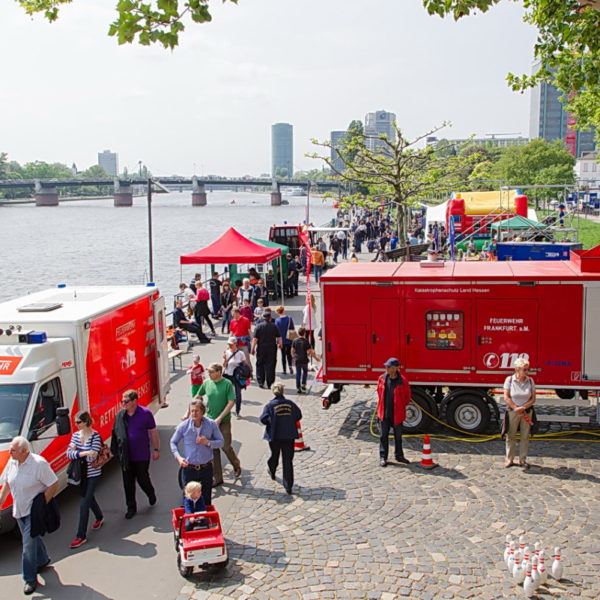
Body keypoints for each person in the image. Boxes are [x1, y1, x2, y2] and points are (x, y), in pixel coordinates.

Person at [0, 437, 58, 595]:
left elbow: (53, 483)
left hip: (33, 512)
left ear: (24, 451)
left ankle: (29, 579)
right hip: (19, 511)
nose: (10, 451)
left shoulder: (39, 464)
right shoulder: (12, 462)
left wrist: (42, 505)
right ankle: (43, 559)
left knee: (27, 546)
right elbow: (7, 484)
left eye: (13, 449)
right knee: (33, 539)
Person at [110, 389, 159, 519]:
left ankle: (150, 493)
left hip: (142, 455)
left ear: (134, 401)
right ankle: (131, 507)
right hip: (126, 456)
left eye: (125, 401)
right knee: (128, 482)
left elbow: (153, 432)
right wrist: (113, 451)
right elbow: (115, 433)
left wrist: (156, 449)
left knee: (143, 479)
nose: (123, 404)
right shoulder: (120, 415)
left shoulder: (145, 413)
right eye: (122, 401)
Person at [194, 363, 241, 486]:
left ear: (219, 372)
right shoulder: (207, 383)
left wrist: (220, 417)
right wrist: (193, 408)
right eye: (208, 372)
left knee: (225, 446)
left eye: (211, 372)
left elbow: (231, 402)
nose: (209, 374)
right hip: (210, 421)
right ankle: (218, 477)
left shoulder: (227, 384)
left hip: (224, 421)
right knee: (213, 448)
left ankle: (236, 464)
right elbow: (198, 396)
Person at [170, 400, 224, 506]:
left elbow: (221, 442)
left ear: (202, 412)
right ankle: (189, 520)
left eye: (196, 411)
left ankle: (205, 520)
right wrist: (179, 458)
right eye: (192, 411)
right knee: (188, 499)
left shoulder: (211, 424)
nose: (194, 413)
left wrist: (208, 442)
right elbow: (173, 442)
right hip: (189, 468)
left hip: (206, 467)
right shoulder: (184, 426)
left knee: (206, 498)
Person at [66, 411, 104, 549]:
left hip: (93, 474)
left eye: (78, 422)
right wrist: (84, 453)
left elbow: (92, 457)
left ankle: (80, 536)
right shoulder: (75, 436)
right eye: (75, 422)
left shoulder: (95, 436)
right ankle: (99, 516)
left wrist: (79, 453)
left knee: (84, 503)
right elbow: (68, 454)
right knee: (89, 498)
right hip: (81, 475)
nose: (76, 425)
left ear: (86, 422)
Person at [260, 382, 303, 495]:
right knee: (287, 459)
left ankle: (272, 470)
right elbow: (298, 415)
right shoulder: (290, 404)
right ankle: (288, 485)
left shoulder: (270, 406)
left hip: (274, 436)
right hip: (288, 435)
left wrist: (272, 422)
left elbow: (263, 419)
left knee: (275, 455)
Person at [376, 358, 411, 467]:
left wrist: (399, 406)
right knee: (383, 436)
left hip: (397, 415)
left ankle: (399, 456)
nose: (386, 368)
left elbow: (407, 397)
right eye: (386, 366)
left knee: (398, 437)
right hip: (384, 414)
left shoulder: (403, 381)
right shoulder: (381, 379)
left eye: (389, 366)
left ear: (396, 368)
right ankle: (383, 457)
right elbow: (379, 392)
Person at [503, 357, 537, 470]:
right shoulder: (509, 380)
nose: (527, 372)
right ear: (517, 369)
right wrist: (515, 408)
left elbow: (533, 398)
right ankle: (510, 459)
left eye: (528, 369)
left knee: (525, 436)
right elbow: (506, 397)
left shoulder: (530, 381)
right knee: (510, 435)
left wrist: (523, 408)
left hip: (526, 411)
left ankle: (523, 459)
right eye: (525, 369)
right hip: (513, 412)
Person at [251, 308, 282, 389]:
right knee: (271, 365)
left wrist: (252, 348)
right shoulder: (274, 326)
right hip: (271, 348)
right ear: (270, 318)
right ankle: (270, 382)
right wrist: (280, 344)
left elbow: (255, 339)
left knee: (260, 364)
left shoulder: (258, 326)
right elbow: (279, 337)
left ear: (263, 318)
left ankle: (261, 381)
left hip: (261, 348)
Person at [223, 337, 247, 418]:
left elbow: (245, 365)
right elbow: (224, 365)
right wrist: (224, 360)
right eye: (229, 344)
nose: (230, 346)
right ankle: (226, 410)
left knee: (237, 394)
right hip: (228, 374)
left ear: (235, 344)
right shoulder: (226, 352)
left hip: (237, 376)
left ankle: (237, 411)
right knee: (226, 393)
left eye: (231, 344)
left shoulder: (241, 353)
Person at [291, 326, 320, 394]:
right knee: (305, 372)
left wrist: (293, 357)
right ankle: (303, 384)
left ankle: (298, 387)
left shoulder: (295, 341)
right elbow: (310, 351)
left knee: (298, 373)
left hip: (297, 360)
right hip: (304, 359)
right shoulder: (306, 341)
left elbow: (292, 350)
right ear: (304, 333)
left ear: (298, 333)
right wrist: (316, 358)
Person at [275, 305, 295, 375]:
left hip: (281, 340)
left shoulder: (277, 321)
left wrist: (277, 342)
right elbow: (292, 329)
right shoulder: (289, 319)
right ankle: (290, 367)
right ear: (283, 310)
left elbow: (276, 332)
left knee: (283, 355)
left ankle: (284, 370)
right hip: (289, 339)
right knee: (289, 354)